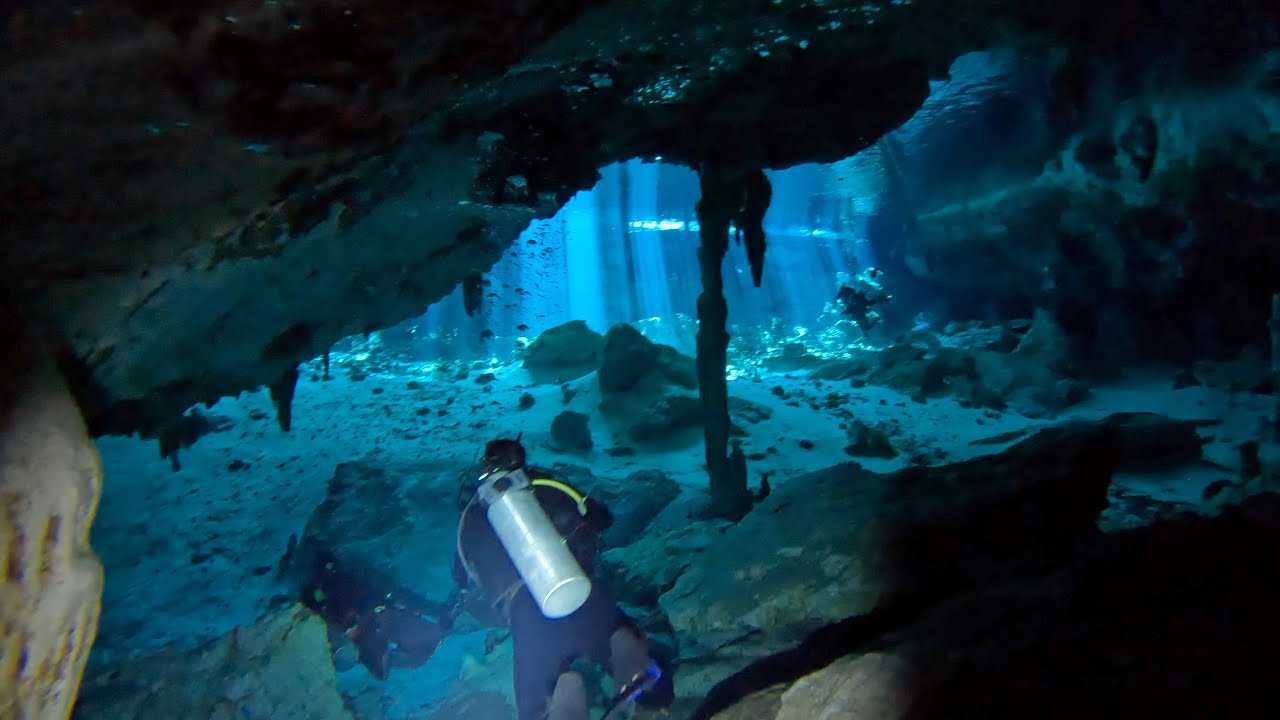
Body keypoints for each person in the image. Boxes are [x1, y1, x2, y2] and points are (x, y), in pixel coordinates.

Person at [453, 437, 674, 720]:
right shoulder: (546, 484)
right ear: (520, 460)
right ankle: (627, 651)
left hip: (527, 615)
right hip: (580, 588)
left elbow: (461, 575)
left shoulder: (471, 515)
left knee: (536, 704)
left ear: (485, 467)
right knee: (618, 637)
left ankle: (565, 687)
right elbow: (602, 517)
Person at [836, 266, 892, 333]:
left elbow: (849, 307)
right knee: (866, 325)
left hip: (860, 303)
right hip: (860, 304)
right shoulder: (853, 302)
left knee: (865, 325)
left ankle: (881, 302)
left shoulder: (853, 288)